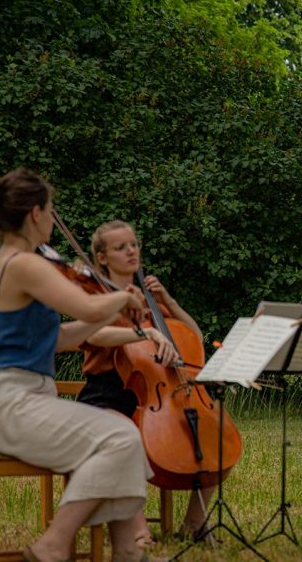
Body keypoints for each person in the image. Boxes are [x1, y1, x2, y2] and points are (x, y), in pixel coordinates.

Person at [0, 168, 154, 562]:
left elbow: (63, 338)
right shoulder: (23, 263)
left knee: (119, 436)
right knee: (121, 438)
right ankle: (53, 544)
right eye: (51, 210)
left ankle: (126, 550)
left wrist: (111, 311)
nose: (53, 219)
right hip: (8, 406)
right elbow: (87, 307)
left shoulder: (13, 263)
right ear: (36, 214)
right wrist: (122, 298)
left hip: (9, 402)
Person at [77, 219, 214, 541]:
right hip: (107, 396)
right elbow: (94, 334)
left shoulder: (150, 300)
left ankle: (194, 525)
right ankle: (138, 532)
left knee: (211, 435)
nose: (131, 251)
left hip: (158, 394)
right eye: (121, 247)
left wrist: (169, 302)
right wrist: (143, 332)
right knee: (125, 436)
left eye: (134, 244)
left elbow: (194, 337)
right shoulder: (95, 295)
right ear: (102, 258)